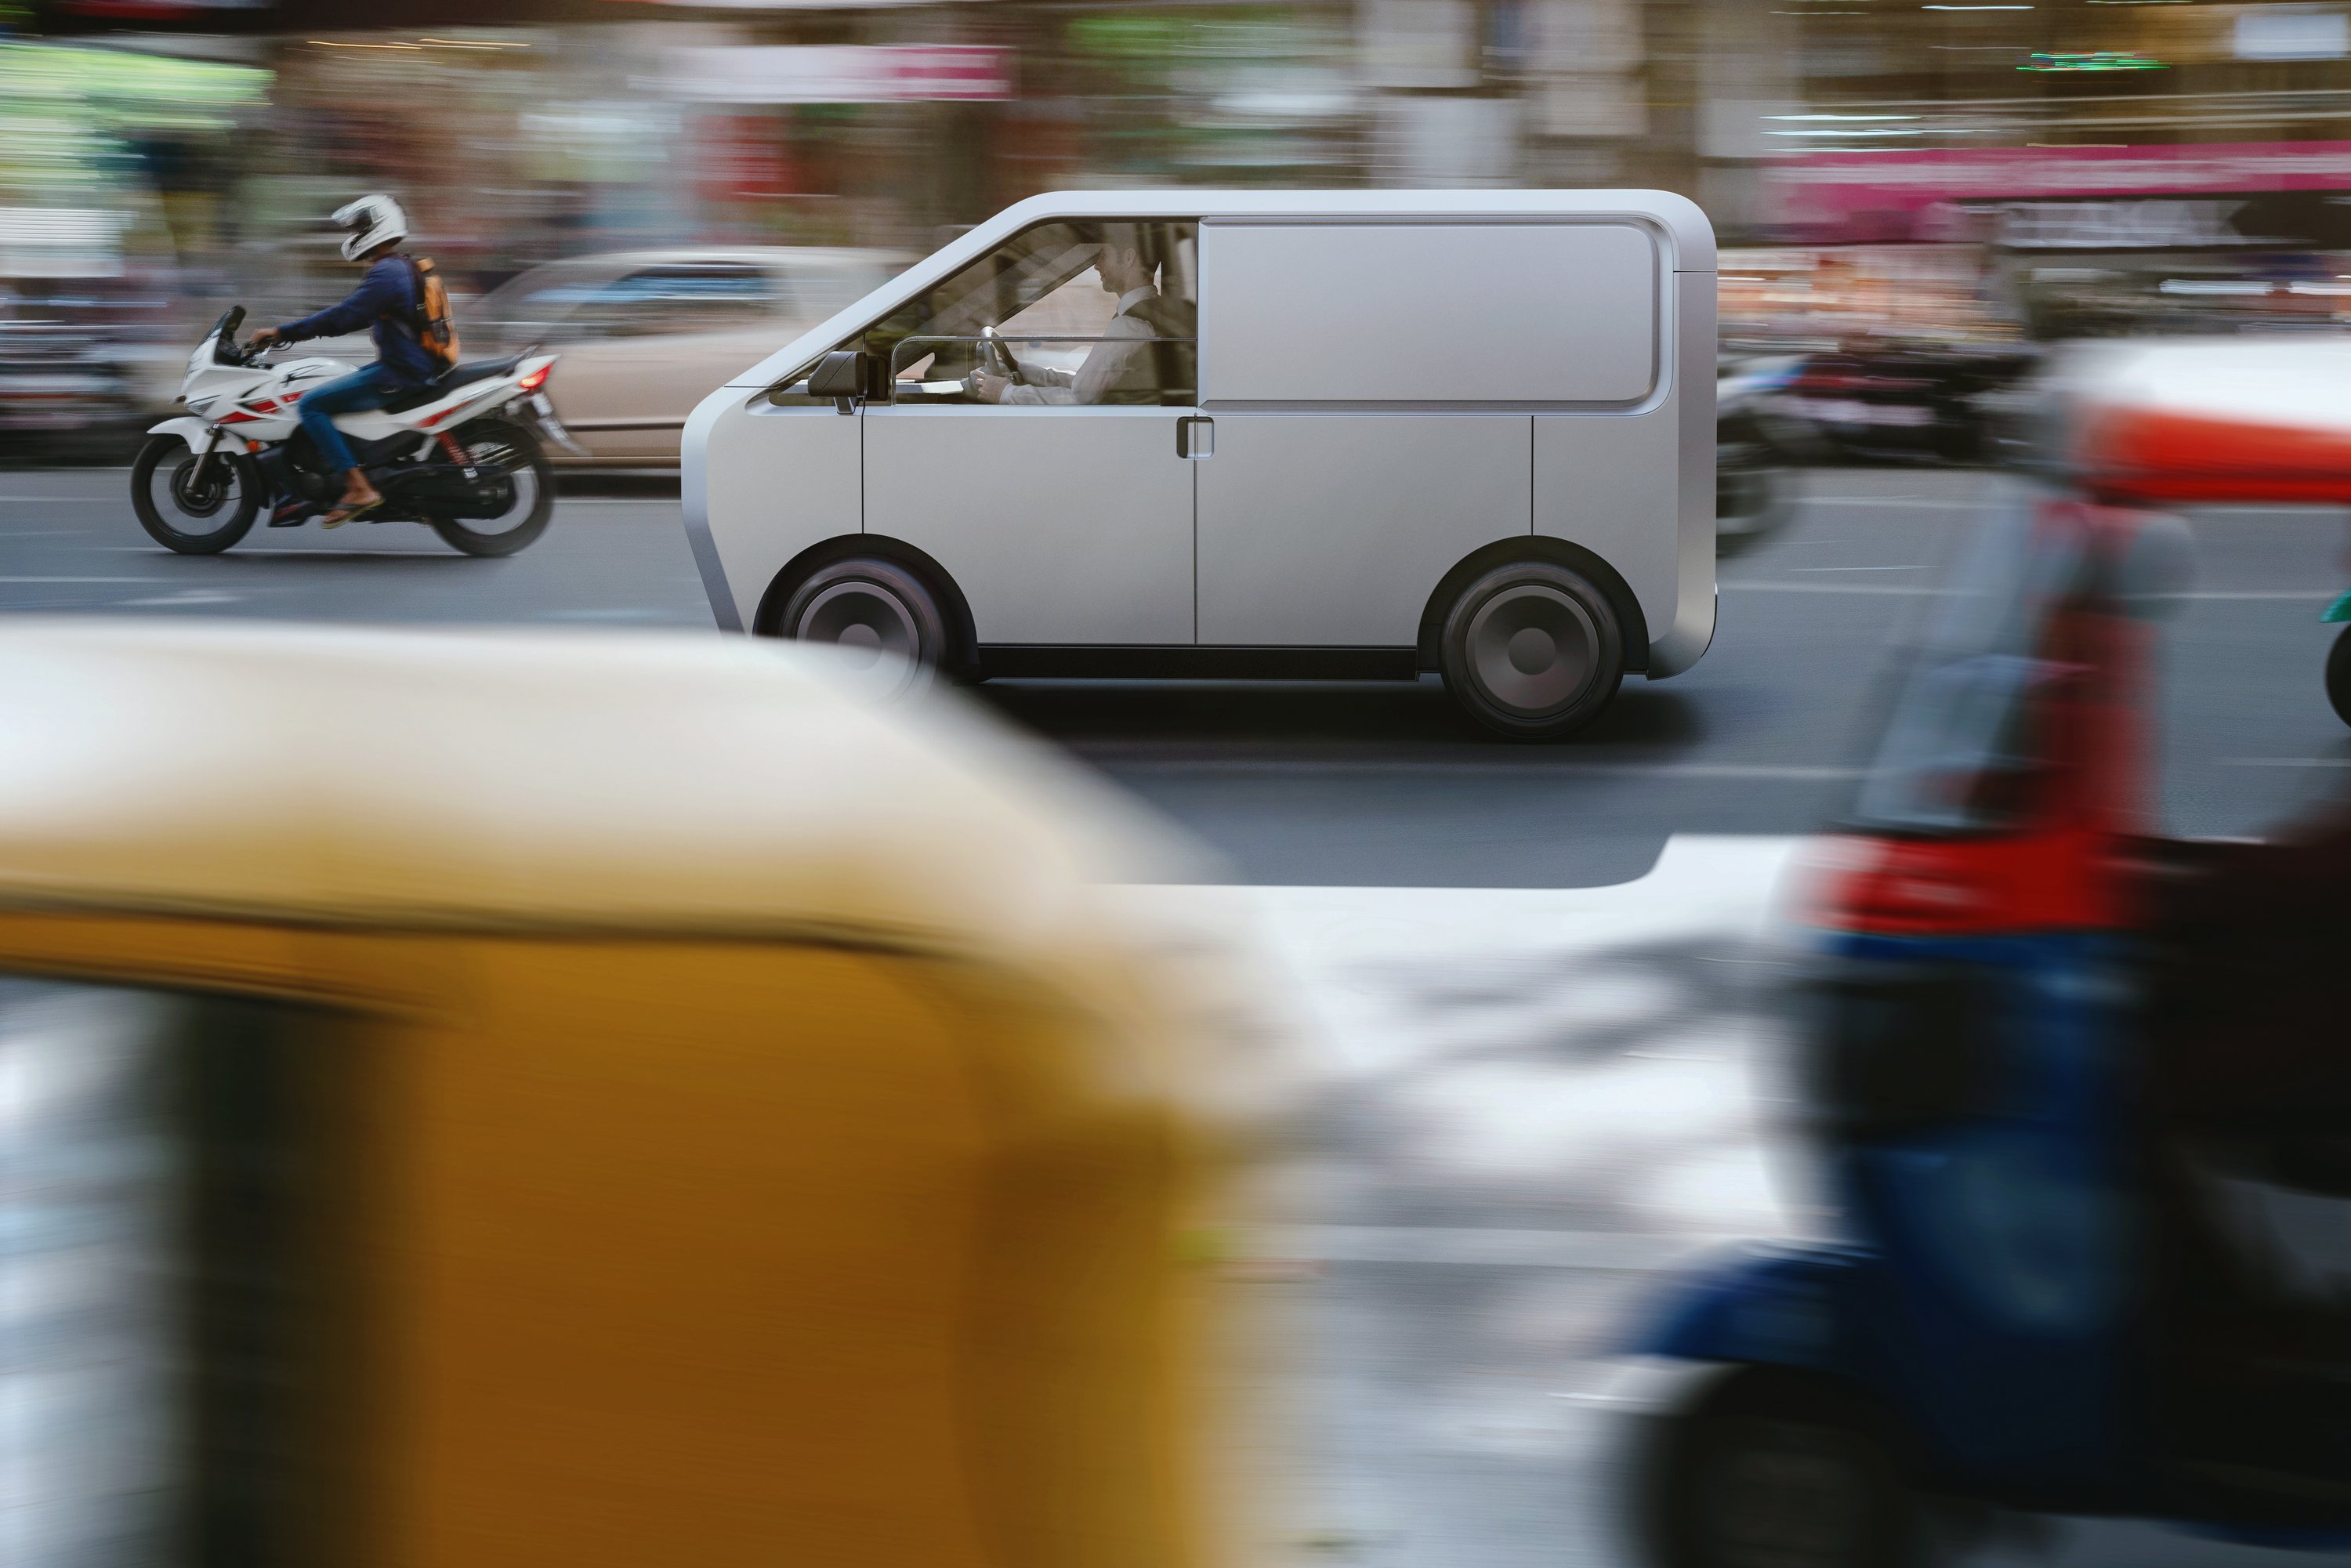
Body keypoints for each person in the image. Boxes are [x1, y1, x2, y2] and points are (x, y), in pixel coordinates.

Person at [248, 194, 435, 524]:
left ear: (378, 227)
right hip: (404, 367)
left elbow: (345, 316)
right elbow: (357, 316)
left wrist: (283, 332)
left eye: (362, 227)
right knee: (334, 387)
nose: (355, 235)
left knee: (311, 405)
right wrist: (300, 329)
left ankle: (358, 487)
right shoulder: (399, 267)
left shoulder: (387, 273)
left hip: (399, 373)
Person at [968, 224, 1192, 407]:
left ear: (1128, 258)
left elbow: (1080, 398)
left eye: (1103, 255)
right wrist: (1022, 369)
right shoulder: (1144, 317)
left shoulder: (1130, 326)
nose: (1096, 265)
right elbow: (1084, 385)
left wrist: (1006, 394)